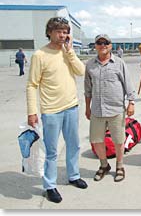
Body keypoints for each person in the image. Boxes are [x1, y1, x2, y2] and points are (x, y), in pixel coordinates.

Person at [26, 17, 87, 203]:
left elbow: (81, 71)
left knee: (74, 144)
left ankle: (73, 175)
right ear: (50, 32)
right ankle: (50, 185)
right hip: (51, 110)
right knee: (52, 151)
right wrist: (32, 111)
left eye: (65, 31)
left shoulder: (67, 52)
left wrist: (70, 52)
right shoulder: (39, 55)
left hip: (71, 106)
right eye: (59, 31)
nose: (63, 35)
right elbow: (32, 85)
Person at [84, 34, 136, 183]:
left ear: (110, 45)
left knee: (119, 140)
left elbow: (128, 84)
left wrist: (131, 102)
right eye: (99, 43)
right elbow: (87, 89)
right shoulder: (90, 65)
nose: (102, 45)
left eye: (105, 42)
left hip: (116, 110)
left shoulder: (119, 63)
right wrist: (87, 108)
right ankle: (104, 165)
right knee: (96, 140)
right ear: (95, 46)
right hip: (97, 110)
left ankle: (119, 166)